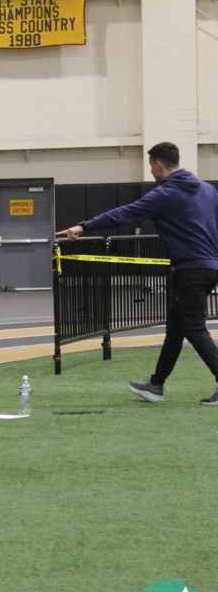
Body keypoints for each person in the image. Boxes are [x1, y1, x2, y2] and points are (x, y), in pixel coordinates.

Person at [57, 141, 218, 406]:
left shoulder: (164, 194)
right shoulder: (209, 190)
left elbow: (125, 214)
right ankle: (156, 385)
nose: (151, 172)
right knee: (176, 329)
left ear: (158, 164)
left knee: (194, 327)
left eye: (151, 166)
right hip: (210, 267)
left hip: (191, 270)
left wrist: (84, 226)